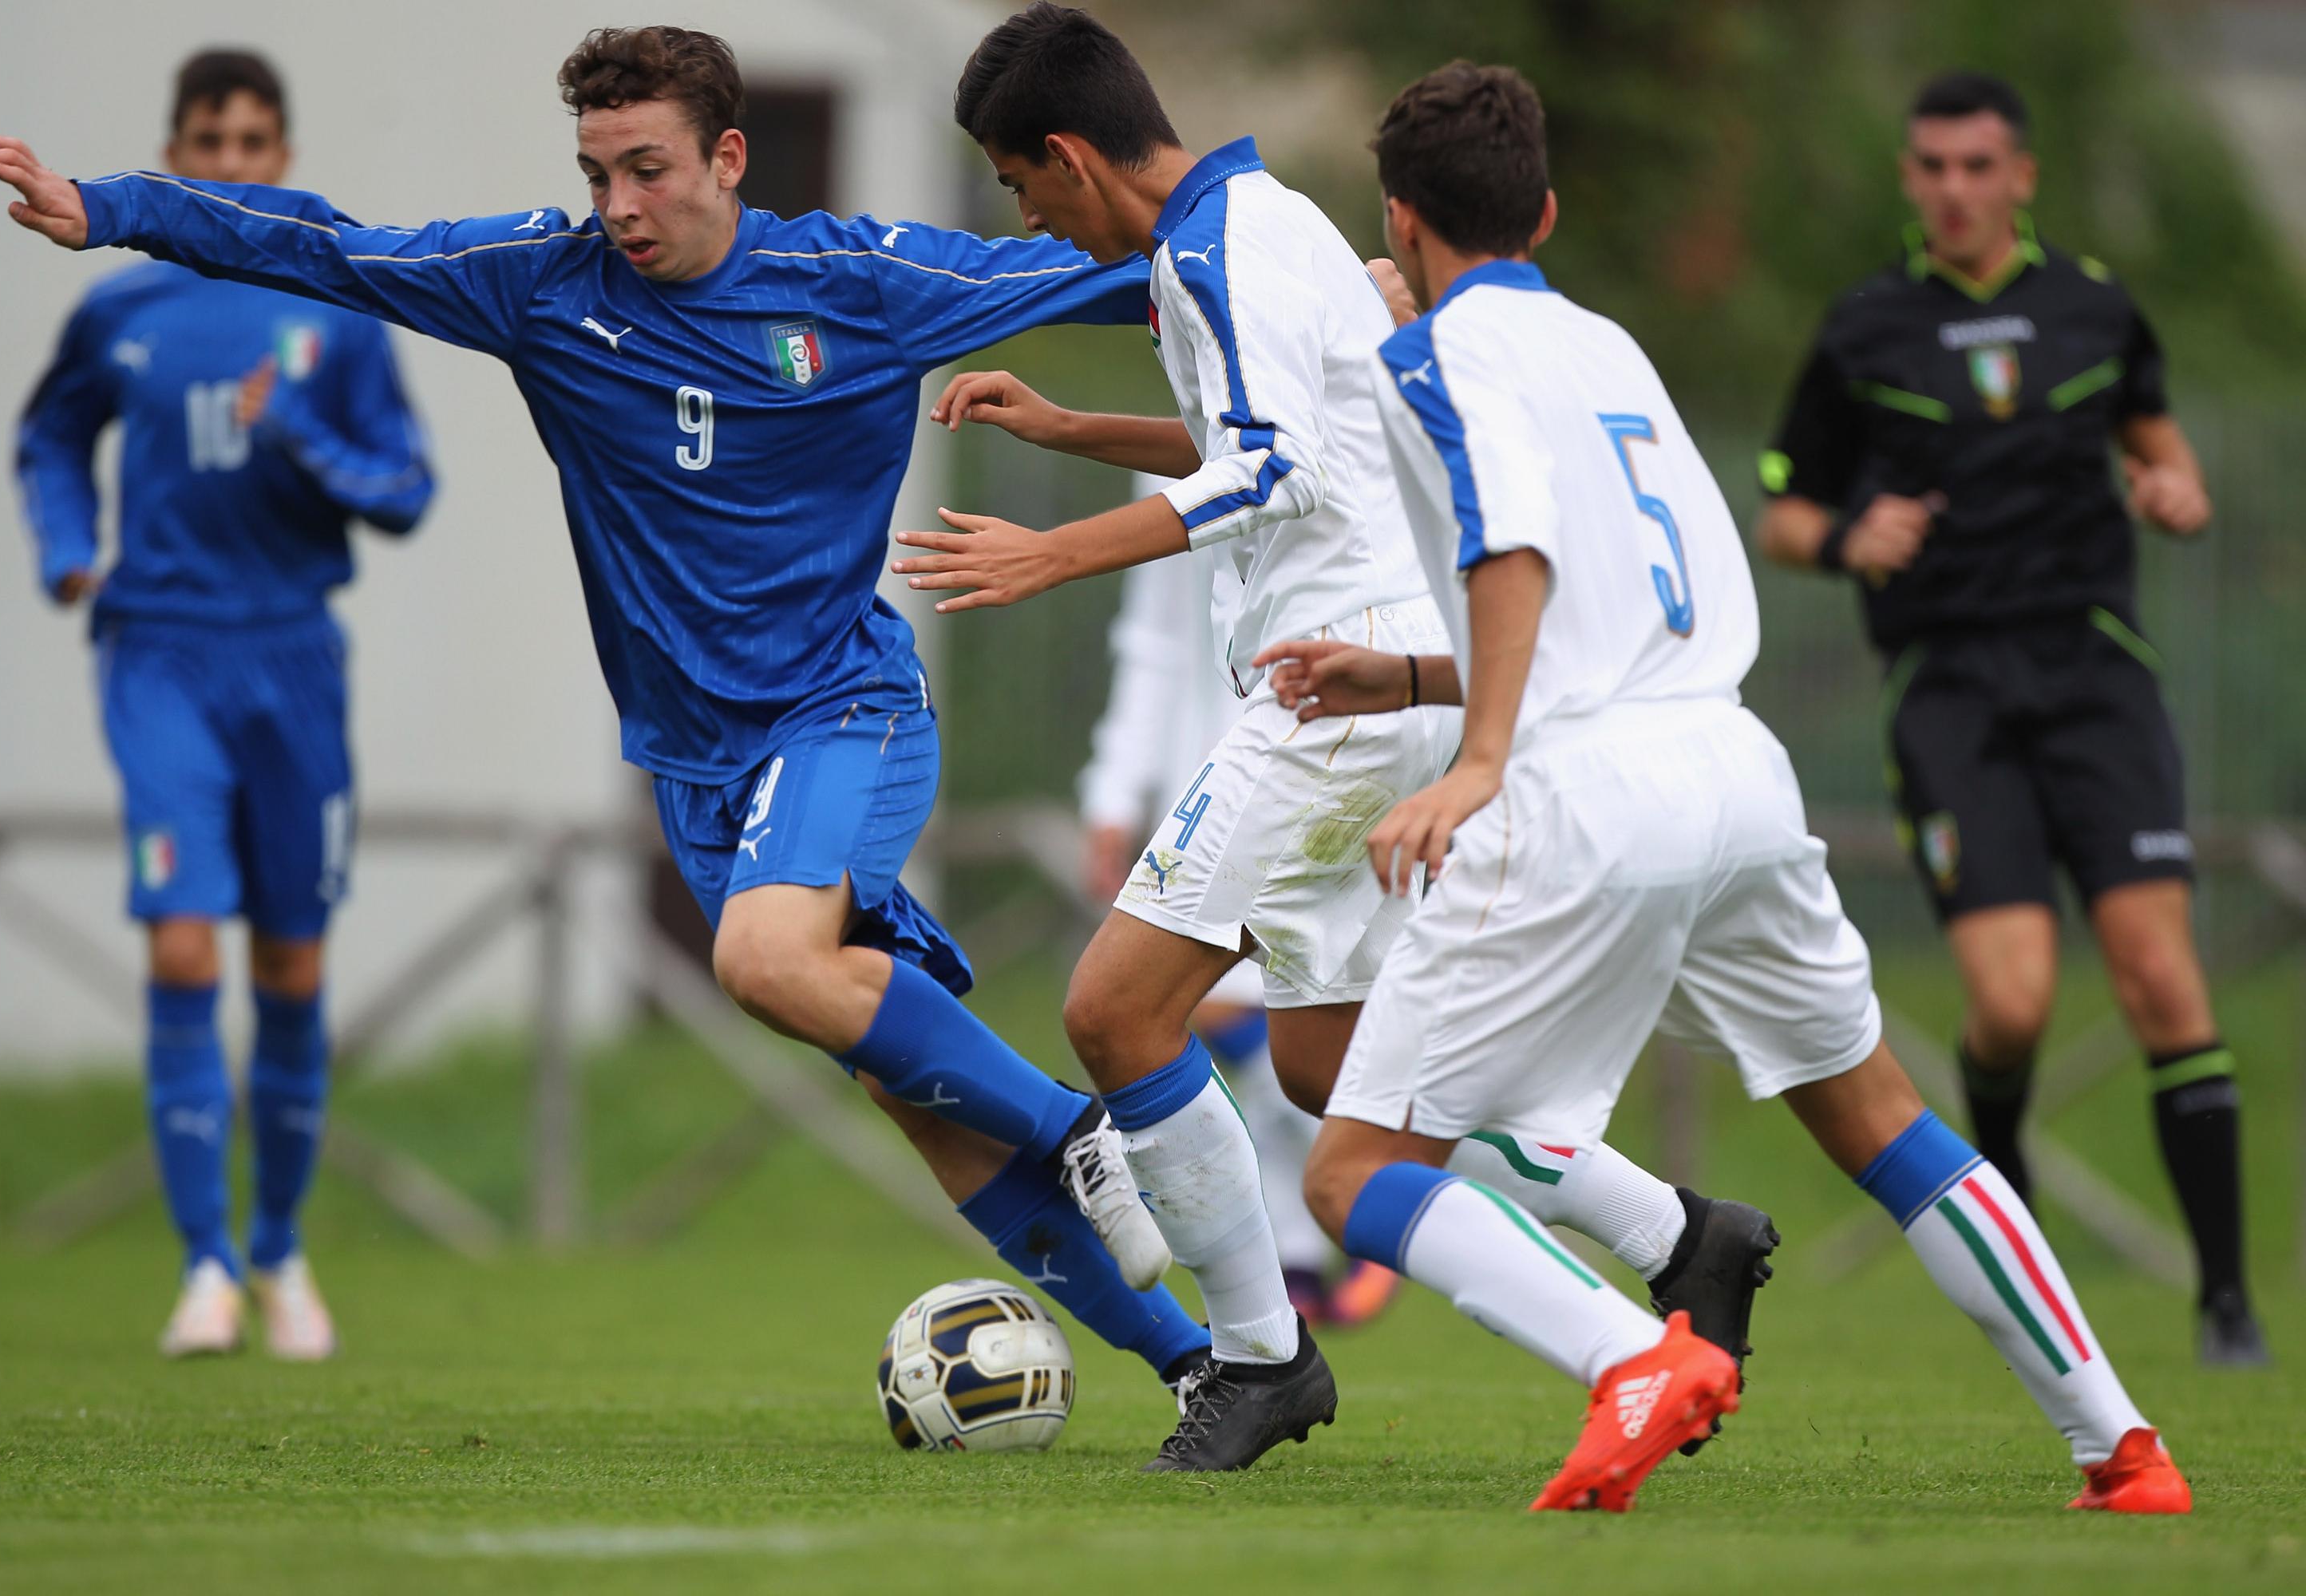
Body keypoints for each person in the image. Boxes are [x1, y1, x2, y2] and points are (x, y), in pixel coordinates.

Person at [0, 25, 1216, 1400]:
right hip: (691, 762)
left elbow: (1124, 265)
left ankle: (1080, 1134)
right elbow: (330, 246)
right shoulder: (543, 287)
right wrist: (115, 212)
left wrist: (1343, 294)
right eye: (597, 172)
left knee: (767, 961)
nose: (618, 206)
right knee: (901, 1087)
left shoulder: (861, 282)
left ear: (728, 159)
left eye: (649, 170)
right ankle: (1206, 1368)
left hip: (841, 707)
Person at [1258, 60, 2189, 1515]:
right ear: (1547, 214)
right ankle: (2123, 1444)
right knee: (1884, 1117)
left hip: (1582, 797)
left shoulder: (1432, 362)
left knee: (1352, 1166)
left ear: (1399, 217)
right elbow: (1627, 604)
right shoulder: (1610, 345)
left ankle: (1634, 1356)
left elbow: (1516, 555)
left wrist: (1483, 755)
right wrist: (1425, 682)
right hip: (1733, 769)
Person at [909, 3, 1777, 1470]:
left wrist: (1056, 550)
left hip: (1327, 693)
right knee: (1332, 1072)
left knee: (1119, 1010)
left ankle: (1259, 1362)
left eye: (1018, 185)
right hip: (1358, 688)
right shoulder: (1265, 223)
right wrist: (1071, 431)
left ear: (1063, 153)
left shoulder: (1212, 247)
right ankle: (1680, 1232)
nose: (1029, 216)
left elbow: (1278, 466)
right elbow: (1279, 430)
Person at [1755, 71, 2263, 1366]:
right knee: (2015, 1003)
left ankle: (2225, 1303)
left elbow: (2159, 445)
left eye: (1979, 167)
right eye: (1932, 167)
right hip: (1951, 691)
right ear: (1912, 180)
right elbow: (1785, 513)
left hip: (2096, 678)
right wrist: (1850, 533)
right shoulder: (1866, 326)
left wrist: (2176, 491)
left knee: (2160, 975)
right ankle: (2019, 1235)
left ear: (2021, 176)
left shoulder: (2094, 308)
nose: (1955, 190)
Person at [12, 49, 435, 1361]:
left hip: (293, 658)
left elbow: (405, 490)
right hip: (160, 654)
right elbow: (46, 439)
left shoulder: (338, 312)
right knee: (185, 949)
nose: (234, 162)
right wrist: (67, 546)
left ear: (284, 160)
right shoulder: (118, 313)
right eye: (210, 141)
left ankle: (280, 1253)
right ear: (177, 155)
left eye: (256, 141)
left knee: (292, 966)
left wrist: (303, 436)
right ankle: (200, 1267)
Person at [1075, 478, 1398, 1330]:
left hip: (1344, 734)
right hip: (1217, 759)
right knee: (1258, 1033)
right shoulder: (1184, 448)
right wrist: (1116, 787)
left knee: (1256, 1025)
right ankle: (1302, 1250)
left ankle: (1394, 1184)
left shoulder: (1355, 411)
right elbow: (1156, 636)